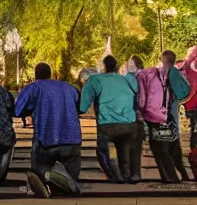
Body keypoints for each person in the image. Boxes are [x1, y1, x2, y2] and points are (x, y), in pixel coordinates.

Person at [16, 63, 81, 197]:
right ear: (50, 74)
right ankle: (67, 183)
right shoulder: (69, 87)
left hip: (47, 141)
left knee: (39, 161)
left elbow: (18, 109)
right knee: (71, 174)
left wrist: (30, 111)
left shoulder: (34, 87)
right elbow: (79, 105)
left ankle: (42, 177)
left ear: (36, 74)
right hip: (73, 141)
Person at [80, 55, 137, 183]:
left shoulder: (95, 80)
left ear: (104, 66)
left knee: (102, 149)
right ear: (116, 67)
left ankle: (113, 174)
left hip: (107, 125)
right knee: (124, 147)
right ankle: (126, 172)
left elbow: (83, 106)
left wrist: (80, 110)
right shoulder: (125, 80)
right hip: (129, 124)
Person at [138, 50, 190, 183]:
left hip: (157, 117)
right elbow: (184, 91)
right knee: (173, 146)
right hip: (171, 116)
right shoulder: (175, 72)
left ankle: (171, 178)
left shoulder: (159, 73)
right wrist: (176, 100)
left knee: (161, 148)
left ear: (162, 59)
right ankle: (183, 175)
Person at [125, 55, 146, 183]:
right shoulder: (144, 77)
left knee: (130, 147)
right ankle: (135, 174)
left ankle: (129, 173)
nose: (129, 65)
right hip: (138, 116)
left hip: (130, 116)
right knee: (135, 148)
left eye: (131, 63)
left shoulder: (127, 78)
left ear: (137, 64)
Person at [178, 45, 197, 179]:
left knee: (193, 128)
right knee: (194, 128)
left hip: (191, 103)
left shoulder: (185, 65)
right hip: (192, 103)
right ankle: (193, 152)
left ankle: (193, 151)